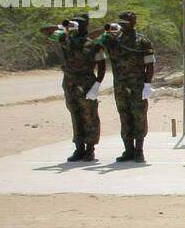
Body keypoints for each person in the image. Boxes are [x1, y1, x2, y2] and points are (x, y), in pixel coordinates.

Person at [90, 11, 154, 162]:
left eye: (126, 23)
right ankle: (128, 150)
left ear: (133, 24)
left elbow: (150, 64)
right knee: (124, 117)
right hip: (120, 86)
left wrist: (147, 84)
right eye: (121, 23)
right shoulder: (112, 39)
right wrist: (106, 28)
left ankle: (139, 151)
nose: (123, 25)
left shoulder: (142, 41)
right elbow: (91, 37)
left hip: (137, 85)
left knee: (139, 117)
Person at [40, 15, 105, 162]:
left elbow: (102, 65)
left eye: (79, 23)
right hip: (70, 83)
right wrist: (60, 26)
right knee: (75, 115)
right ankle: (79, 148)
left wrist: (97, 85)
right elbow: (44, 31)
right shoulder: (65, 39)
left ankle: (90, 149)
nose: (75, 25)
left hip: (87, 82)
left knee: (90, 116)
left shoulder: (94, 44)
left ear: (86, 25)